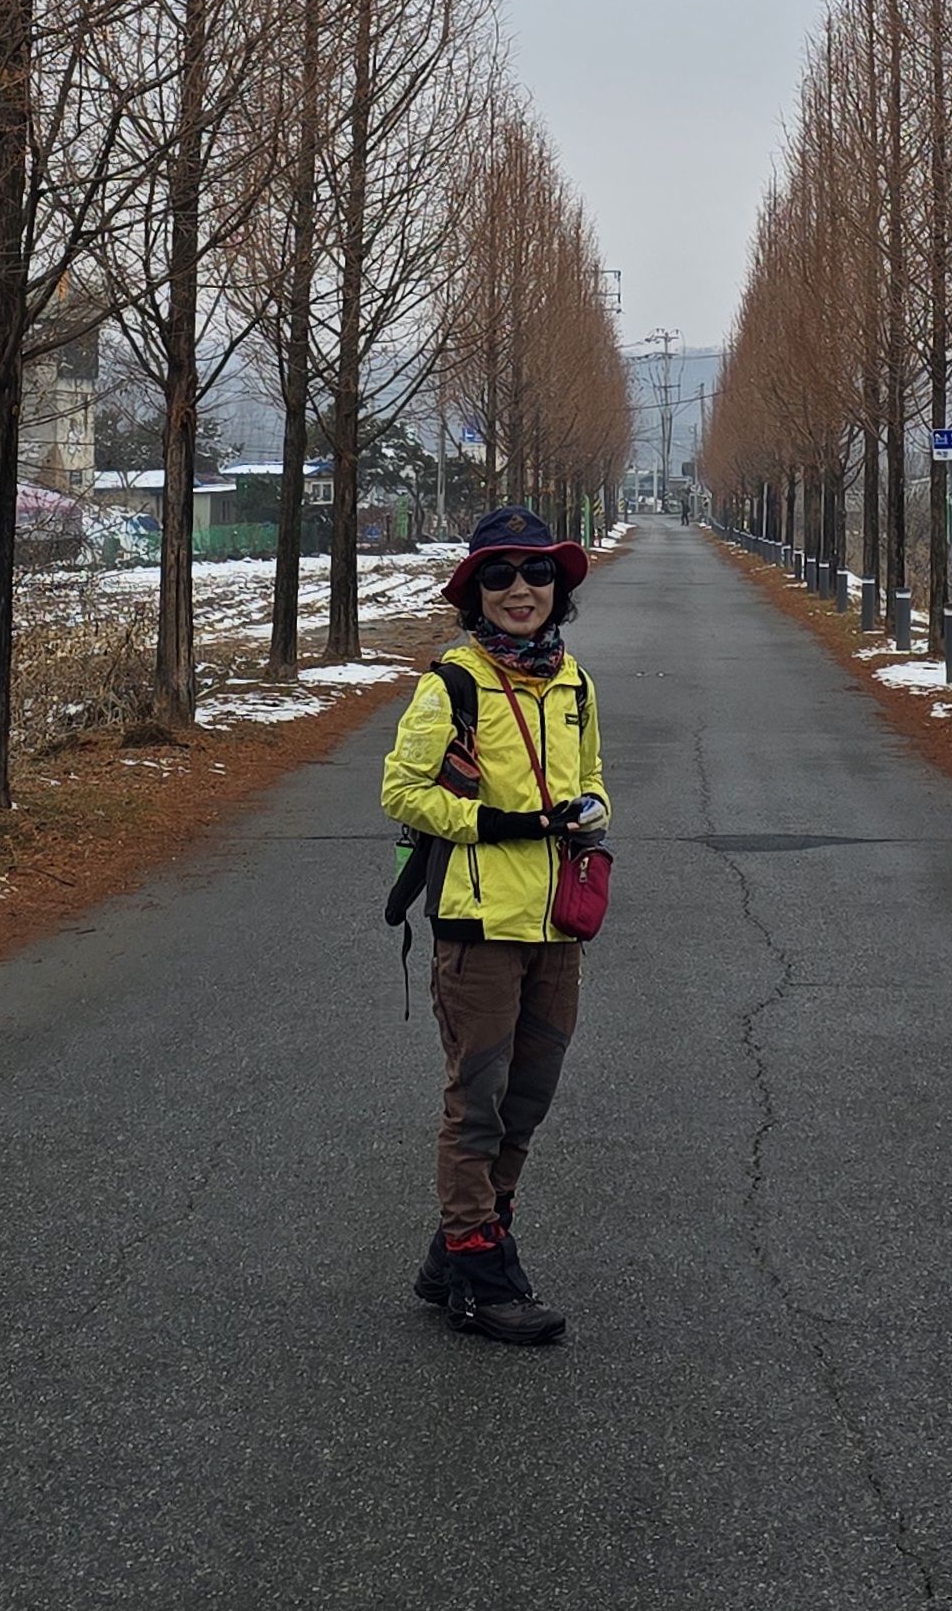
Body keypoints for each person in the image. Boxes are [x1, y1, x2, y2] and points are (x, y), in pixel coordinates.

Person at [380, 503, 611, 1346]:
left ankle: (460, 1248)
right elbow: (402, 792)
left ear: (557, 587)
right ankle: (481, 1271)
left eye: (537, 572)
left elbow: (593, 775)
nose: (521, 590)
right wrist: (496, 824)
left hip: (555, 924)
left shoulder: (574, 683)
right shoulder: (453, 683)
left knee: (528, 1100)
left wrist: (593, 808)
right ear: (475, 591)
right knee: (477, 1105)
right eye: (501, 575)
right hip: (476, 927)